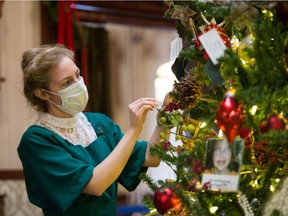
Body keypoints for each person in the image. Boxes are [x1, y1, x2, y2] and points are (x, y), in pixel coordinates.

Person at [17, 44, 169, 216]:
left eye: (77, 75)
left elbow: (151, 157)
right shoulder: (37, 140)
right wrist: (133, 129)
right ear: (43, 94)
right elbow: (95, 185)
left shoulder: (98, 123)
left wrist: (167, 117)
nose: (78, 84)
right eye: (67, 83)